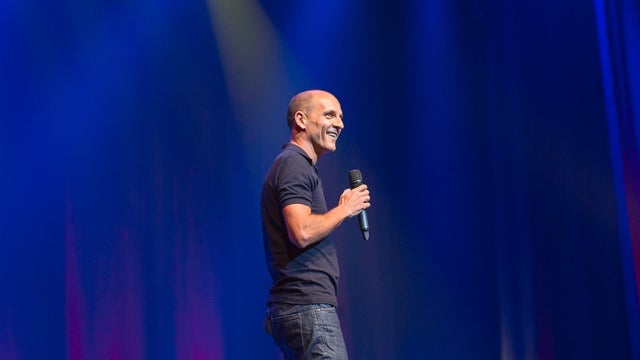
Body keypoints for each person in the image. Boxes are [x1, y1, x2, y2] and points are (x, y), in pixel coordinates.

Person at [261, 90, 371, 359]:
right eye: (330, 115)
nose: (340, 124)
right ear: (301, 119)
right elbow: (301, 231)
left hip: (302, 308)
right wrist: (345, 210)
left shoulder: (299, 166)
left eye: (341, 117)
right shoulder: (293, 164)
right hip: (306, 307)